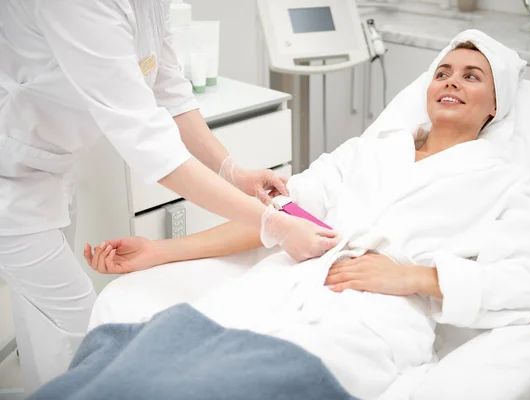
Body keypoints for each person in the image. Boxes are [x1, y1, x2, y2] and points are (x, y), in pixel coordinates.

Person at [82, 31, 530, 400]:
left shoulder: (506, 183)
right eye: (443, 72)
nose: (451, 82)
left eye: (471, 76)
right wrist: (158, 252)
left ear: (496, 104)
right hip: (272, 293)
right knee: (129, 368)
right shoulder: (368, 153)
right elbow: (275, 218)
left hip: (366, 321)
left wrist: (414, 277)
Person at [0, 0, 339, 392]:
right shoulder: (80, 6)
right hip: (11, 176)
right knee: (77, 327)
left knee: (38, 311)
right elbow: (153, 147)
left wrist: (233, 171)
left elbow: (168, 89)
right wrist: (274, 224)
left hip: (45, 162)